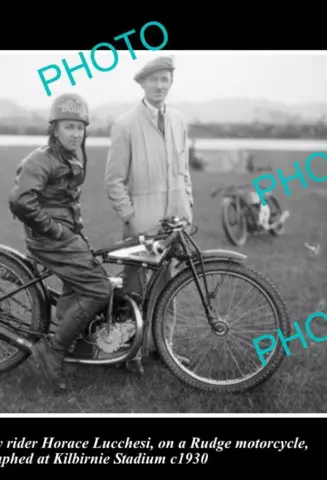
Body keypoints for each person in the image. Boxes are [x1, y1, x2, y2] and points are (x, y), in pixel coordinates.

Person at [8, 93, 111, 390]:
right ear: (54, 128)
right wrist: (57, 231)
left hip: (65, 235)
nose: (76, 133)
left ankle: (70, 341)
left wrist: (74, 232)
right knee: (99, 289)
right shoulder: (41, 159)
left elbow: (64, 201)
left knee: (86, 280)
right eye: (69, 126)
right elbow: (20, 201)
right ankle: (53, 350)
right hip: (50, 239)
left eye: (80, 127)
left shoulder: (68, 156)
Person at [104, 55, 194, 370]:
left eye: (165, 79)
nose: (159, 85)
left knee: (169, 288)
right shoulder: (125, 124)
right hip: (141, 225)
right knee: (134, 289)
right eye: (154, 79)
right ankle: (130, 353)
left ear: (170, 83)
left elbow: (184, 172)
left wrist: (188, 205)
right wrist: (131, 217)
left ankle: (163, 349)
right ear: (142, 83)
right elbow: (114, 180)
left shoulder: (179, 121)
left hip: (174, 225)